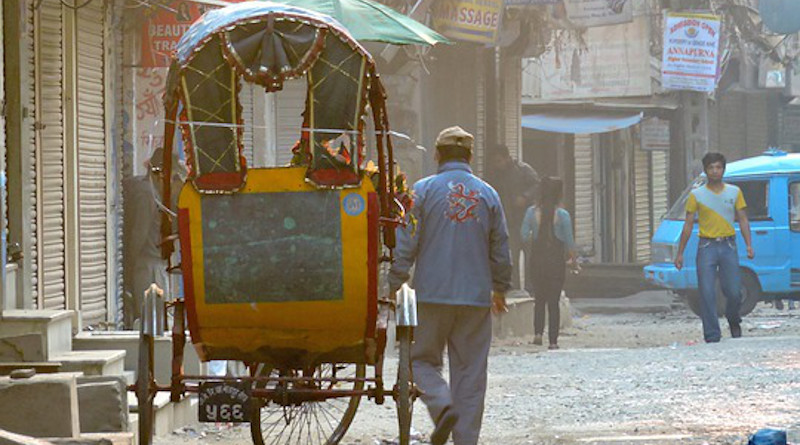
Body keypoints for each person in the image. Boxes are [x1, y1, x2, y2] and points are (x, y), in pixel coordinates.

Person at [389, 126, 512, 445]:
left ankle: (442, 406)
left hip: (431, 295)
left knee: (420, 360)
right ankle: (466, 441)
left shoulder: (424, 191)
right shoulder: (489, 194)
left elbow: (406, 243)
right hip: (475, 299)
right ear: (470, 156)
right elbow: (500, 247)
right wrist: (500, 288)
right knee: (471, 374)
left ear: (436, 155)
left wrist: (396, 280)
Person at [675, 152, 755, 343]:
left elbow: (743, 219)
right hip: (706, 247)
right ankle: (712, 335)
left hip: (728, 245)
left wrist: (749, 245)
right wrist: (680, 253)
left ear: (723, 169)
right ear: (705, 170)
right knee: (707, 291)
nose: (715, 171)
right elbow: (687, 225)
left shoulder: (734, 192)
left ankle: (734, 320)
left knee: (734, 291)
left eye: (718, 167)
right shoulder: (696, 195)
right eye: (711, 168)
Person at [122, 147, 182, 329]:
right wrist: (131, 266)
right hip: (148, 268)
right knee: (152, 323)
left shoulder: (154, 191)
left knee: (159, 321)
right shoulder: (146, 194)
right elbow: (138, 233)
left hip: (157, 266)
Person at [521, 177, 578, 350]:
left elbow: (523, 235)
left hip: (537, 261)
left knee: (539, 299)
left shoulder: (531, 213)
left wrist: (533, 242)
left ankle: (538, 334)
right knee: (553, 302)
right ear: (559, 194)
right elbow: (569, 242)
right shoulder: (563, 215)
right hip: (555, 263)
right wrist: (574, 260)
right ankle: (553, 341)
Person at [486, 144, 539, 290]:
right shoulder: (495, 176)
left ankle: (531, 288)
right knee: (511, 258)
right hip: (508, 222)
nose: (497, 165)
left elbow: (537, 186)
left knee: (530, 258)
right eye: (494, 162)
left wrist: (525, 197)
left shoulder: (523, 170)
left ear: (507, 158)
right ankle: (514, 288)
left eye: (499, 161)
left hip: (526, 222)